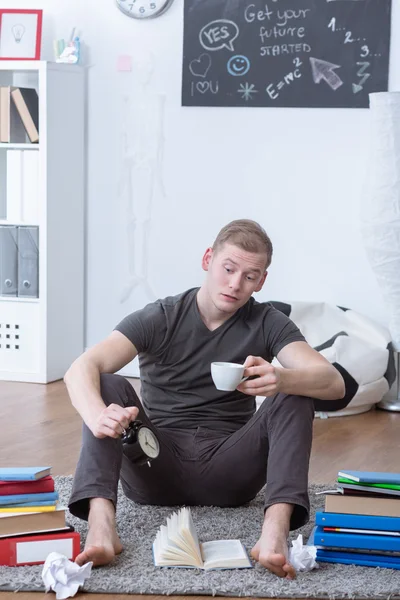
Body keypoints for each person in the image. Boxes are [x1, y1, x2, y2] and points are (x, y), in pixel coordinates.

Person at [64, 219, 345, 579]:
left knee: (296, 393)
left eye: (249, 275)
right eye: (228, 268)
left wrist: (283, 377)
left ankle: (274, 534)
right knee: (105, 382)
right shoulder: (161, 315)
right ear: (208, 259)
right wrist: (97, 414)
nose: (235, 284)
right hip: (154, 463)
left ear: (261, 281)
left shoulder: (266, 321)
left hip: (229, 471)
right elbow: (81, 368)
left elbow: (333, 383)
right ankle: (102, 528)